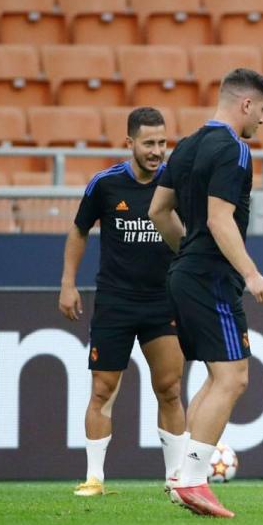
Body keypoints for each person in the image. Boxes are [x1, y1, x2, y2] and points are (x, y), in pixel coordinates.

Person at [149, 68, 263, 519]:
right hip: (211, 277)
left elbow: (158, 210)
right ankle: (194, 481)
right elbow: (221, 219)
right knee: (233, 377)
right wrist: (251, 274)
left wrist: (187, 250)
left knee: (217, 375)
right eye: (262, 109)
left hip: (185, 272)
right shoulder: (235, 149)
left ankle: (183, 476)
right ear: (246, 104)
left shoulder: (184, 147)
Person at [59, 107, 186, 497]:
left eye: (162, 142)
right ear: (129, 142)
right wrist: (68, 283)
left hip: (162, 302)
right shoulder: (105, 184)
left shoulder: (177, 184)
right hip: (115, 302)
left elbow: (191, 237)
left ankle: (176, 480)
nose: (157, 150)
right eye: (149, 143)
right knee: (102, 389)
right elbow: (79, 231)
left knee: (169, 388)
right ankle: (94, 478)